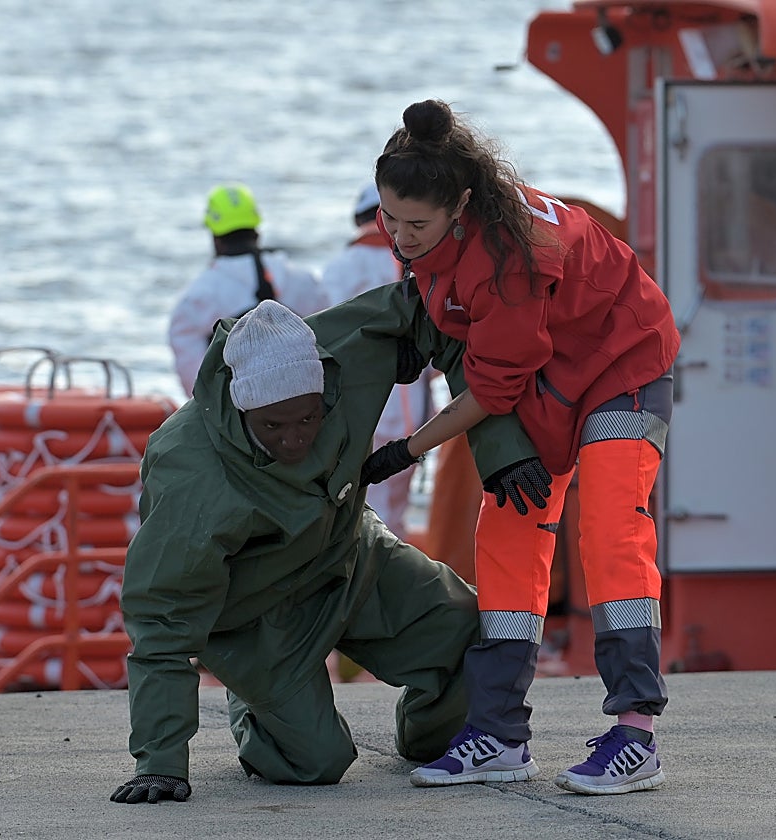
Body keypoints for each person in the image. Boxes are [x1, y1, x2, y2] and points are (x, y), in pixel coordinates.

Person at [110, 290, 548, 805]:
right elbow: (162, 614)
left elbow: (453, 316)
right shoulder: (190, 472)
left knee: (474, 634)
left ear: (327, 385)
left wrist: (502, 452)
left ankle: (429, 739)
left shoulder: (354, 351)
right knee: (315, 763)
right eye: (272, 426)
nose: (294, 439)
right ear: (241, 406)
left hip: (349, 551)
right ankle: (252, 706)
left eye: (308, 419)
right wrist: (160, 762)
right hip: (257, 614)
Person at [361, 99, 680, 796]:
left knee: (611, 532)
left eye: (416, 226)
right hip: (549, 377)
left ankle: (636, 736)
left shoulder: (509, 260)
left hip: (623, 365)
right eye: (390, 218)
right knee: (506, 535)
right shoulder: (428, 224)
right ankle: (499, 735)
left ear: (460, 206)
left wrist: (404, 451)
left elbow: (490, 391)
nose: (401, 238)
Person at [320, 182, 433, 539]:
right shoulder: (424, 264)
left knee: (363, 510)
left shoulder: (340, 269)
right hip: (416, 413)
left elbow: (324, 343)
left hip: (358, 407)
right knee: (395, 510)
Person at [168, 182, 328, 397]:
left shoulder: (197, 299)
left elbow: (197, 386)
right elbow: (328, 337)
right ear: (256, 232)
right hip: (307, 400)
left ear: (215, 238)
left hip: (241, 408)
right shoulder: (302, 279)